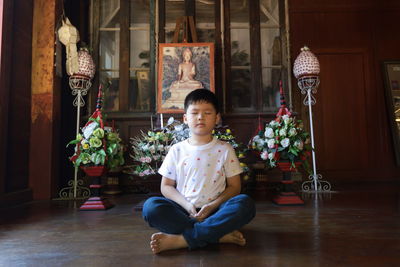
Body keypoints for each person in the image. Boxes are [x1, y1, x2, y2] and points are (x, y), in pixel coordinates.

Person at [142, 89, 256, 254]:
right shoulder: (177, 149)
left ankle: (183, 240)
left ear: (216, 118)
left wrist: (211, 206)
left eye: (207, 112)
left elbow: (234, 187)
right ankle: (217, 235)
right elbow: (166, 187)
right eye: (195, 113)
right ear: (186, 118)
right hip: (183, 210)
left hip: (216, 211)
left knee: (245, 204)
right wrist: (187, 205)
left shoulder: (224, 149)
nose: (200, 117)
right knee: (151, 207)